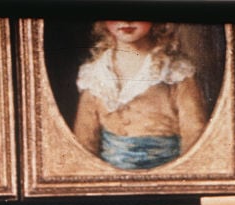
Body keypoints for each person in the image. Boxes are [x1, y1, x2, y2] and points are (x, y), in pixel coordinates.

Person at [72, 20, 208, 171]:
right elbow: (85, 139)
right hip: (109, 177)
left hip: (166, 174)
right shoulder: (94, 74)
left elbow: (194, 132)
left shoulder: (175, 71)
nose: (126, 21)